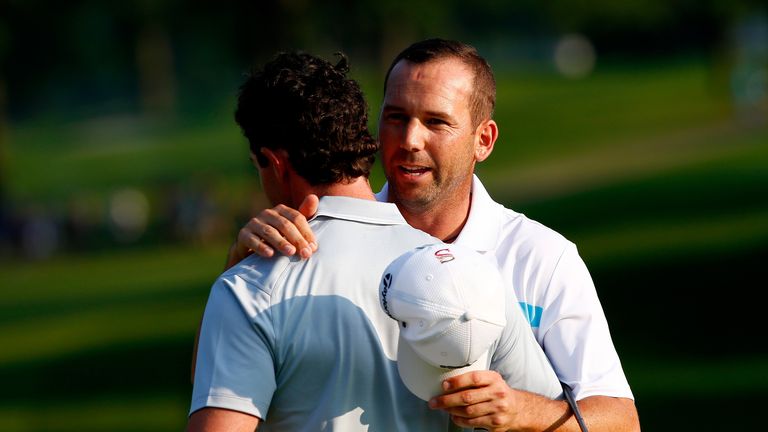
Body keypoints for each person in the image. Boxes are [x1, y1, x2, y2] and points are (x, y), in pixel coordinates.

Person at [227, 39, 641, 431]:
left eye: (436, 122)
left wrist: (519, 410)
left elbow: (622, 422)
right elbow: (222, 388)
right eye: (396, 117)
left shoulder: (542, 258)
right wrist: (239, 272)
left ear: (483, 140)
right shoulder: (308, 245)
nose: (410, 140)